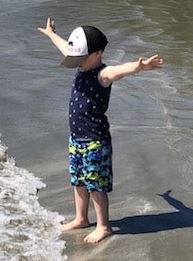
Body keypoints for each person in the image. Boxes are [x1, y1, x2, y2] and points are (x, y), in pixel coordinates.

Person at [38, 17, 164, 244]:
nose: (76, 62)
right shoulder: (81, 63)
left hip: (95, 141)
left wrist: (139, 66)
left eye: (80, 58)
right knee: (78, 181)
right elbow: (66, 47)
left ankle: (104, 226)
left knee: (95, 184)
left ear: (96, 53)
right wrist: (50, 35)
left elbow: (120, 71)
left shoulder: (101, 74)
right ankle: (81, 219)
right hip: (76, 139)